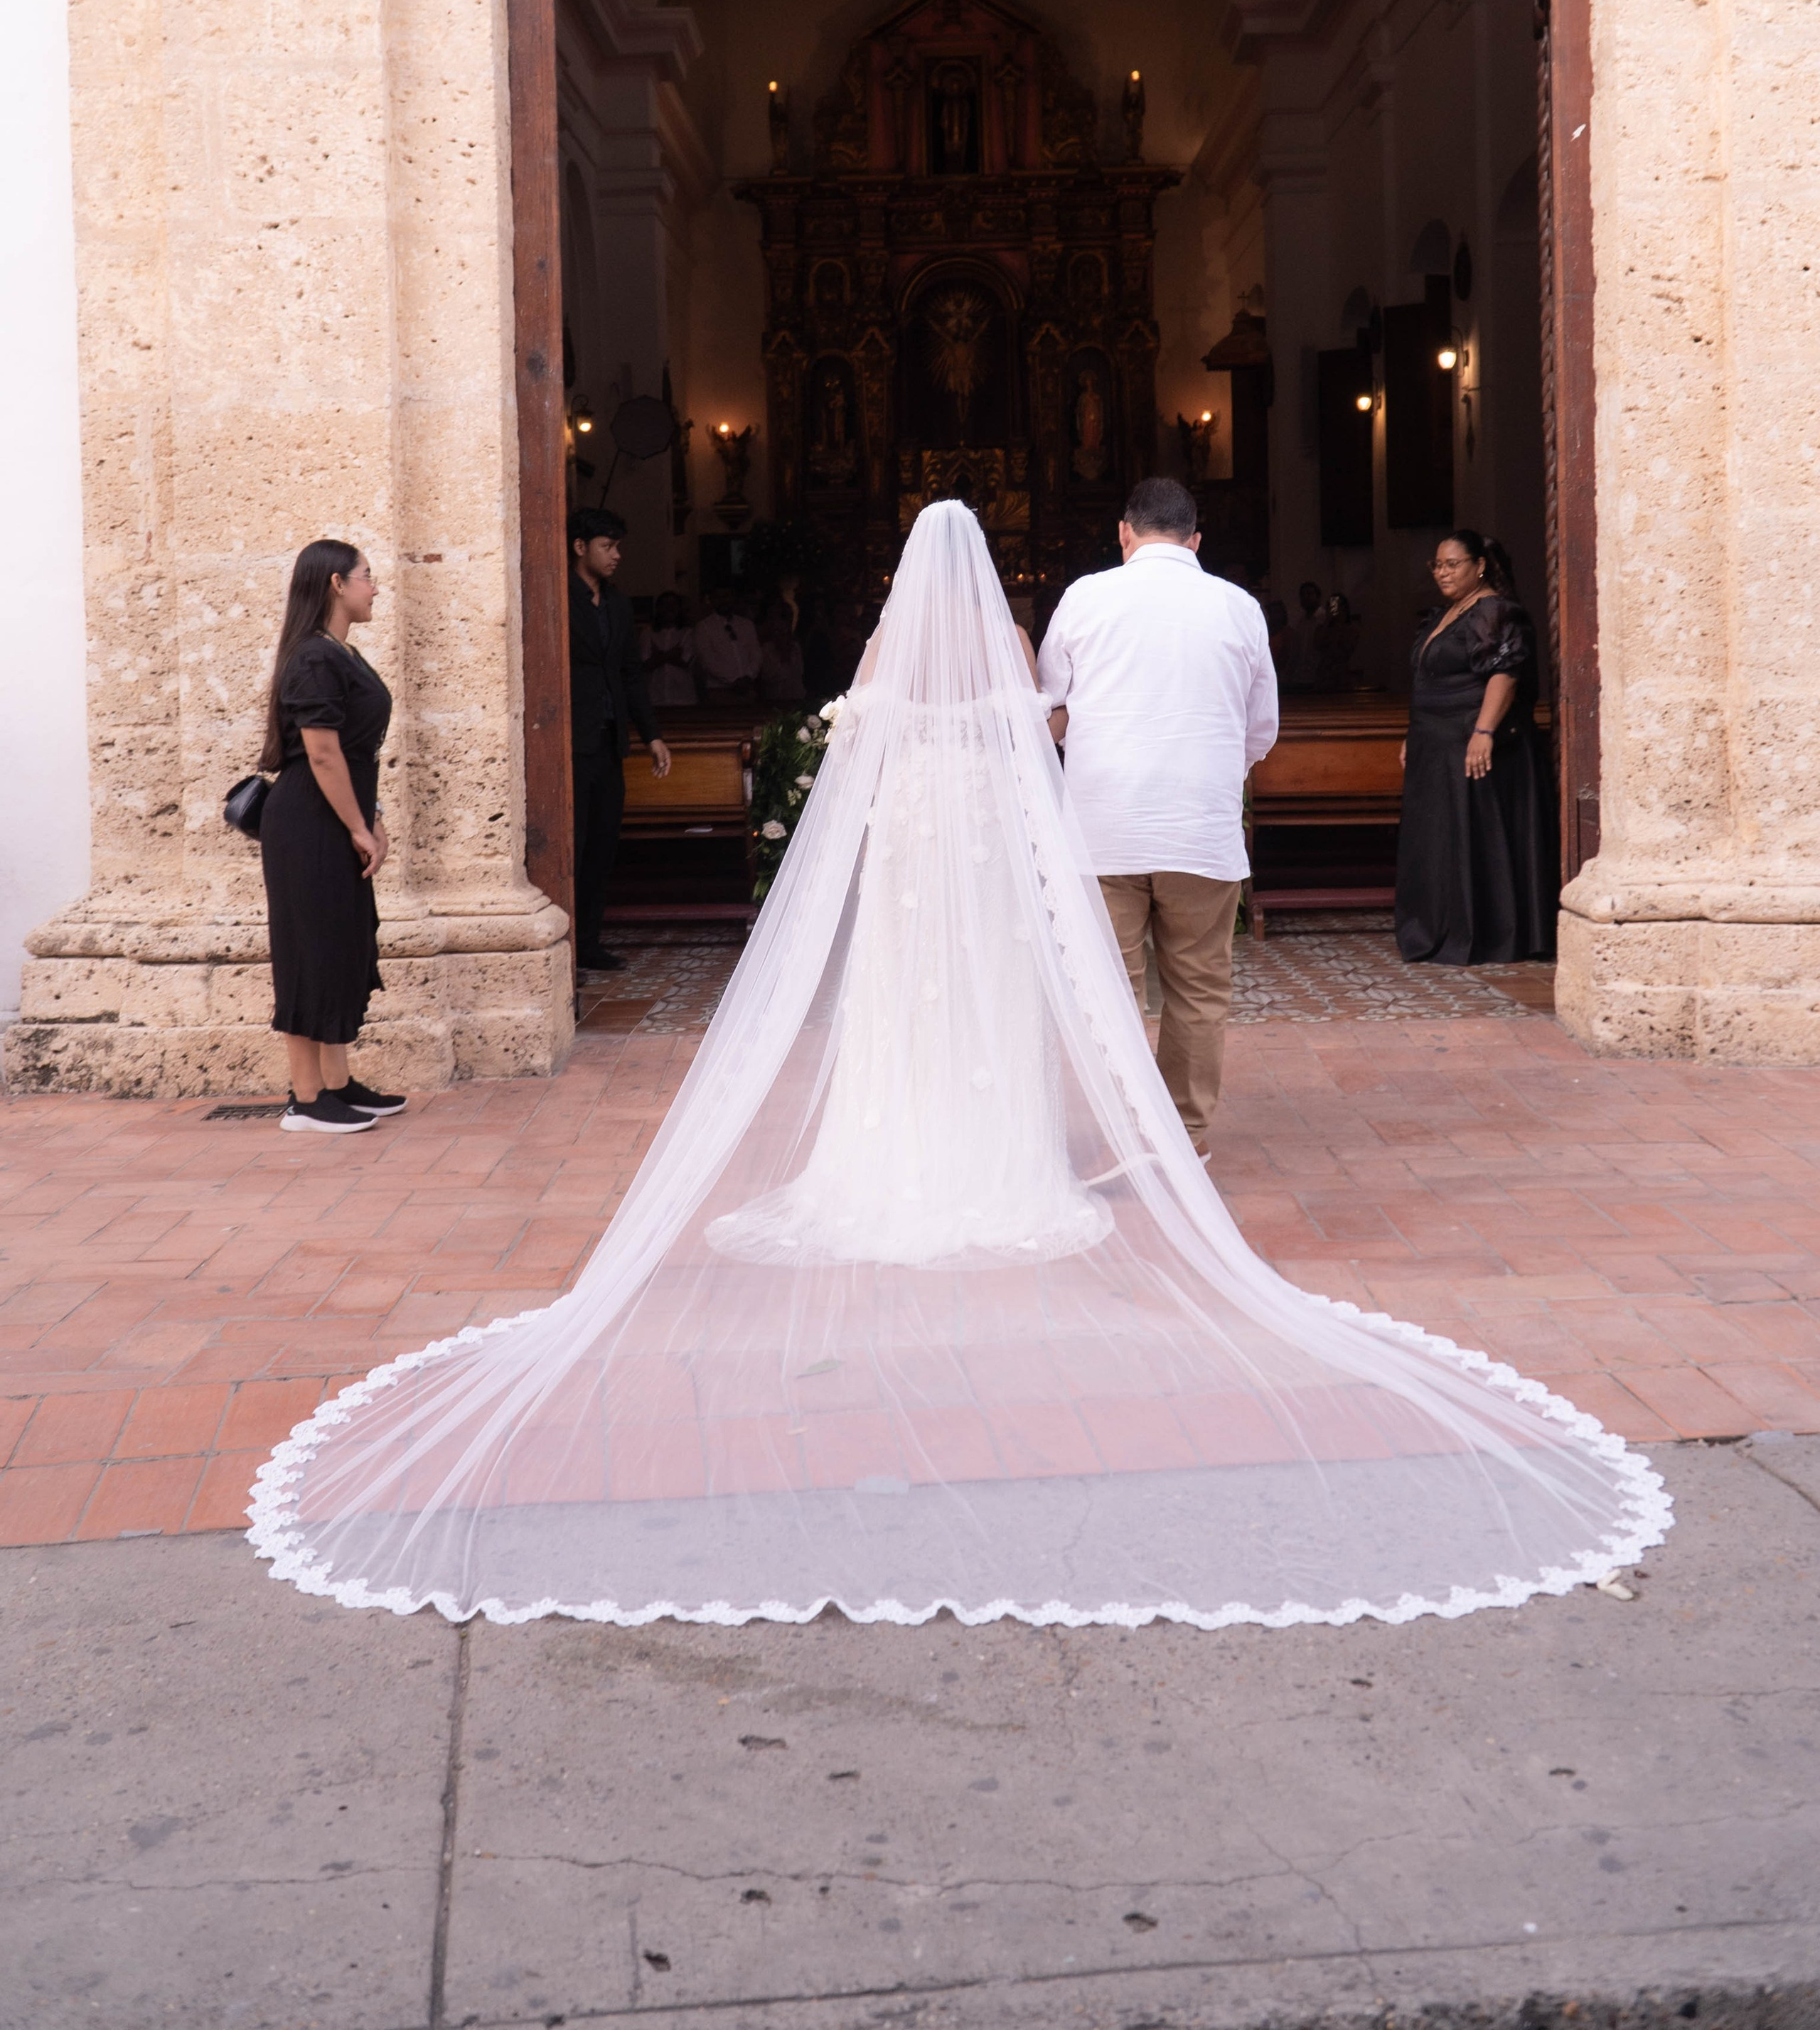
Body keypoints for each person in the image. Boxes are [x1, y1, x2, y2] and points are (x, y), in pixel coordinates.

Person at [252, 500, 1666, 1633]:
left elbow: (853, 741)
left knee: (908, 1012)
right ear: (986, 577)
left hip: (912, 866)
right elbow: (1050, 730)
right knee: (1130, 994)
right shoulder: (1037, 641)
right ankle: (1129, 1139)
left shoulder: (905, 658)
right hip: (999, 862)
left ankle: (905, 1157)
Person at [1037, 476, 1277, 1146]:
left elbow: (1049, 707)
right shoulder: (1239, 607)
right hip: (1200, 831)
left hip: (1102, 827)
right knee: (1199, 990)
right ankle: (1185, 1140)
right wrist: (1209, 775)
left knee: (1107, 992)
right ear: (1196, 539)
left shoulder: (1086, 597)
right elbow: (1261, 727)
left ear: (1124, 533)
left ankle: (1121, 1133)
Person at [257, 539, 409, 1135]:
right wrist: (356, 826)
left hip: (335, 818)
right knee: (308, 953)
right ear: (337, 585)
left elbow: (351, 753)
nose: (376, 587)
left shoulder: (338, 652)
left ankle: (339, 1084)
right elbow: (320, 755)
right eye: (368, 576)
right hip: (309, 823)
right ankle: (305, 1098)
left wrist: (372, 817)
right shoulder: (316, 659)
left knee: (342, 945)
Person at [1395, 529, 1558, 964]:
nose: (1442, 573)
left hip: (1472, 744)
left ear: (1479, 565)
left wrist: (1484, 733)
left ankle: (1484, 934)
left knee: (1474, 837)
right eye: (1437, 565)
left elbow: (1504, 673)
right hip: (1436, 744)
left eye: (1453, 564)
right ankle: (1440, 928)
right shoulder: (1448, 614)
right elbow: (1429, 679)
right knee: (1441, 839)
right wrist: (1415, 733)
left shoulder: (1496, 611)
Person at [569, 510, 671, 977]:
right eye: (607, 546)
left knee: (603, 847)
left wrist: (651, 735)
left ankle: (589, 942)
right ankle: (564, 945)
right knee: (573, 844)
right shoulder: (560, 598)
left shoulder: (619, 605)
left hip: (611, 742)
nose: (616, 555)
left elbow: (630, 673)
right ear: (580, 547)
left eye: (617, 546)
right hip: (571, 744)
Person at [692, 581, 763, 697]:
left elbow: (756, 653)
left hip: (748, 688)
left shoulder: (746, 625)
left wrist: (749, 676)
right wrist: (734, 680)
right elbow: (707, 660)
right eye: (718, 597)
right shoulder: (704, 627)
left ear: (733, 598)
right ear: (711, 600)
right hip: (719, 690)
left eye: (726, 596)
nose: (723, 601)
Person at [639, 591, 697, 709]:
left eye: (673, 605)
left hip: (683, 698)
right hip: (655, 697)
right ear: (658, 608)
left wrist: (659, 656)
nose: (669, 608)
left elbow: (686, 662)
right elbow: (645, 665)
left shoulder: (688, 633)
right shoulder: (648, 633)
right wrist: (672, 655)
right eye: (665, 605)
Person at [756, 598, 806, 704]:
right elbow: (768, 677)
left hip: (796, 697)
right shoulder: (765, 649)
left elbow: (800, 672)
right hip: (773, 700)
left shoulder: (795, 647)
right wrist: (782, 655)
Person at [1283, 579, 1325, 688]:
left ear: (1318, 597)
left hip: (1319, 675)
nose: (1306, 598)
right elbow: (1296, 651)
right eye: (1303, 595)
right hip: (1301, 676)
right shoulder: (1301, 622)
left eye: (1310, 594)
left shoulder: (1324, 620)